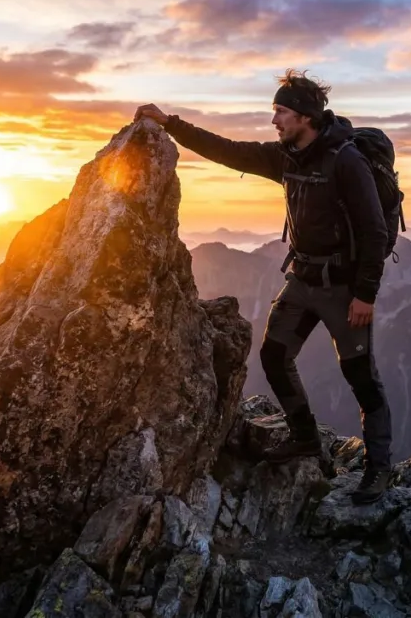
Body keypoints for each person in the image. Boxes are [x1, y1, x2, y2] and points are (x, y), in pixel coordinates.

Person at [134, 69, 393, 504]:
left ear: (306, 117)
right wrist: (170, 124)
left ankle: (379, 469)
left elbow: (374, 232)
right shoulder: (286, 157)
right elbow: (229, 152)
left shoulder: (345, 160)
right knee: (274, 355)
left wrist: (365, 294)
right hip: (303, 279)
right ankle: (305, 437)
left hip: (343, 288)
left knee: (361, 378)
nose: (274, 120)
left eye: (281, 112)